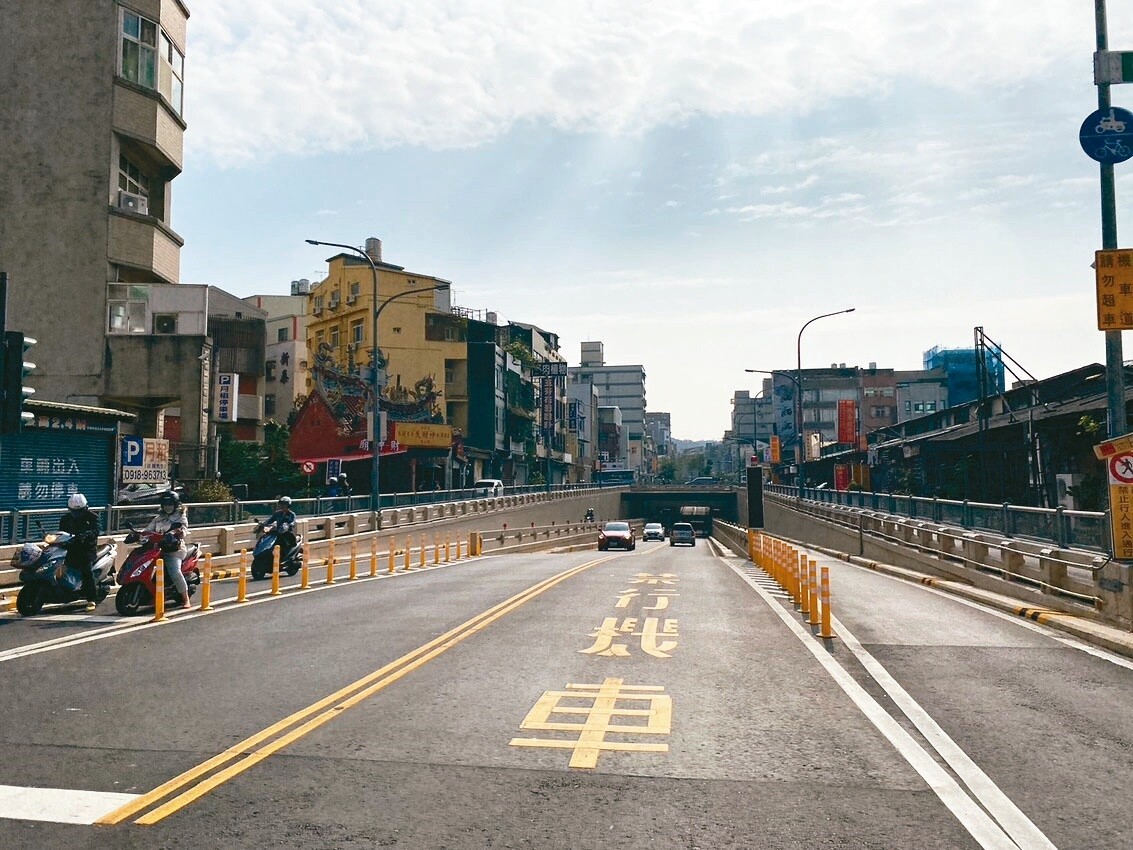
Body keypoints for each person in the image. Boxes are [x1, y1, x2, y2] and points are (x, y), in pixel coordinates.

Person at [143, 491, 191, 609]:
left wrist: (179, 533)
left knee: (175, 572)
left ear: (175, 505)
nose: (167, 506)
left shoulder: (180, 517)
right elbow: (148, 530)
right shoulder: (158, 518)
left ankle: (186, 599)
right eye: (165, 504)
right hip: (157, 549)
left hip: (174, 549)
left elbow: (184, 529)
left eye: (170, 504)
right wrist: (139, 535)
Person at [59, 493, 100, 611]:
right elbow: (61, 533)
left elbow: (96, 531)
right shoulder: (65, 519)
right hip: (70, 548)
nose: (76, 514)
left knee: (87, 571)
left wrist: (86, 535)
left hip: (86, 550)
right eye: (73, 511)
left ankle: (91, 599)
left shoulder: (92, 517)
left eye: (79, 511)